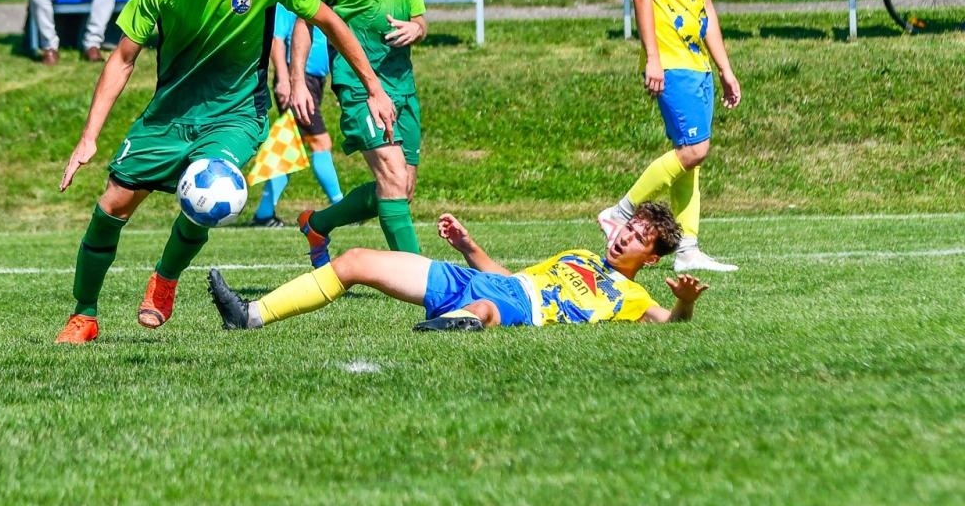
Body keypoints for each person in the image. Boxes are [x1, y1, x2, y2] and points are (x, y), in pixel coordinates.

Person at [53, 0, 397, 345]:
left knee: (209, 190)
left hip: (236, 115)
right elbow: (122, 59)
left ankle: (166, 277)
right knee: (112, 205)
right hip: (170, 116)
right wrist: (89, 136)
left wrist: (374, 88)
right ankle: (84, 315)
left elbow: (329, 21)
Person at [207, 201, 711, 332]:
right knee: (355, 260)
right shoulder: (578, 256)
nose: (624, 236)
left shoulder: (635, 297)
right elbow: (509, 276)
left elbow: (669, 322)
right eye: (628, 227)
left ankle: (448, 326)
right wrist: (469, 245)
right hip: (488, 281)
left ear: (651, 258)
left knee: (487, 310)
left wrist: (684, 304)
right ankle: (249, 314)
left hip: (519, 308)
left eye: (638, 238)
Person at [598, 0, 742, 273]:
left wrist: (725, 69)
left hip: (697, 63)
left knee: (689, 154)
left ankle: (688, 248)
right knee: (695, 150)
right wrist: (653, 58)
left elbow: (705, 7)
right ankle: (619, 212)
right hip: (672, 60)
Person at [287, 0, 426, 266]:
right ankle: (420, 280)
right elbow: (304, 22)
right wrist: (297, 80)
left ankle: (317, 224)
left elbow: (420, 19)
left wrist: (416, 29)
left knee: (401, 187)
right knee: (393, 177)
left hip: (401, 83)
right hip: (358, 87)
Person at [251, 0, 344, 227]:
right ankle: (341, 207)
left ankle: (263, 214)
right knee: (320, 142)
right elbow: (277, 40)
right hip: (297, 80)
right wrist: (284, 79)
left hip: (315, 81)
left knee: (288, 148)